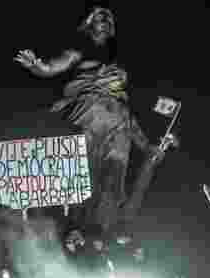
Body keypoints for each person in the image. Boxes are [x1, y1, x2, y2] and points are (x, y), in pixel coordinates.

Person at [15, 6, 171, 234]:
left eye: (108, 19)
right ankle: (73, 226)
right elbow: (54, 67)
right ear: (89, 24)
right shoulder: (80, 51)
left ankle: (97, 229)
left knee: (114, 181)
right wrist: (38, 66)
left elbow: (128, 116)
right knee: (83, 175)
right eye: (100, 18)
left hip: (118, 120)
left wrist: (147, 146)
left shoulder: (118, 62)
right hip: (91, 113)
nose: (105, 21)